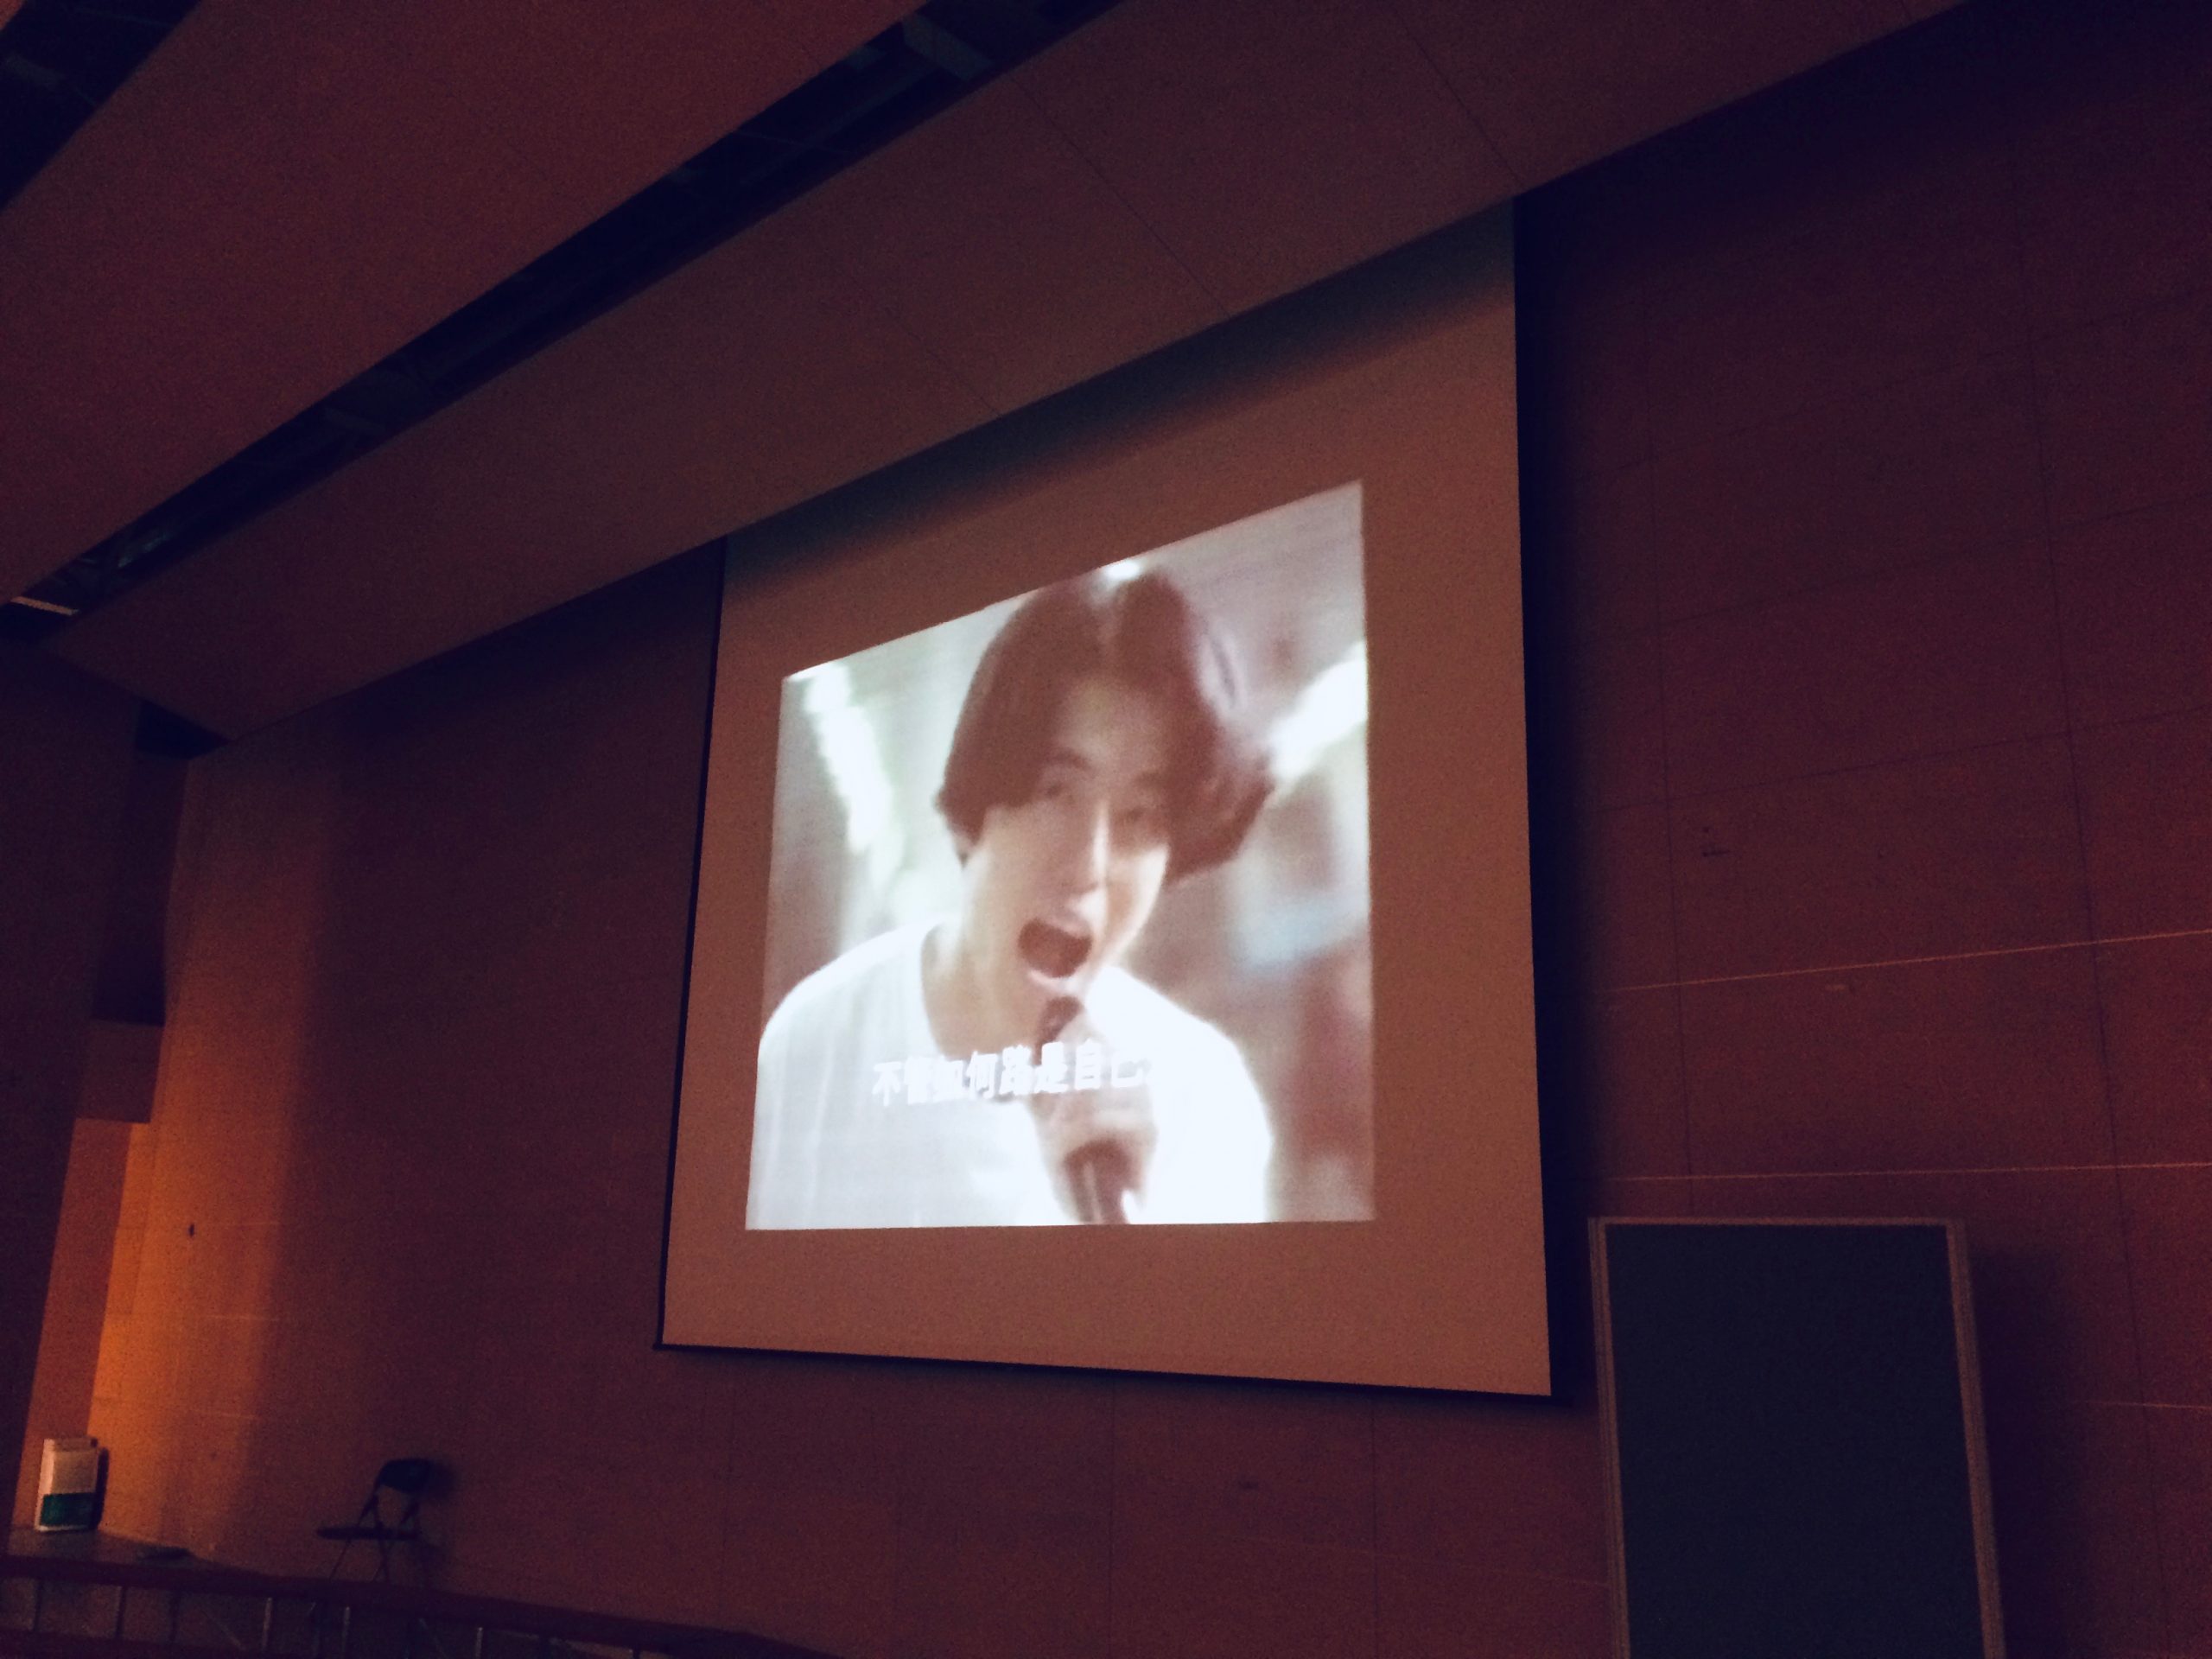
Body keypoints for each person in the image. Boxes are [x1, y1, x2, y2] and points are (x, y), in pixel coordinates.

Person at [747, 570, 1276, 1228]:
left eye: (1140, 815)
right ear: (976, 815)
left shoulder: (1205, 1100)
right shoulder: (815, 1041)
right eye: (1057, 791)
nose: (1089, 866)